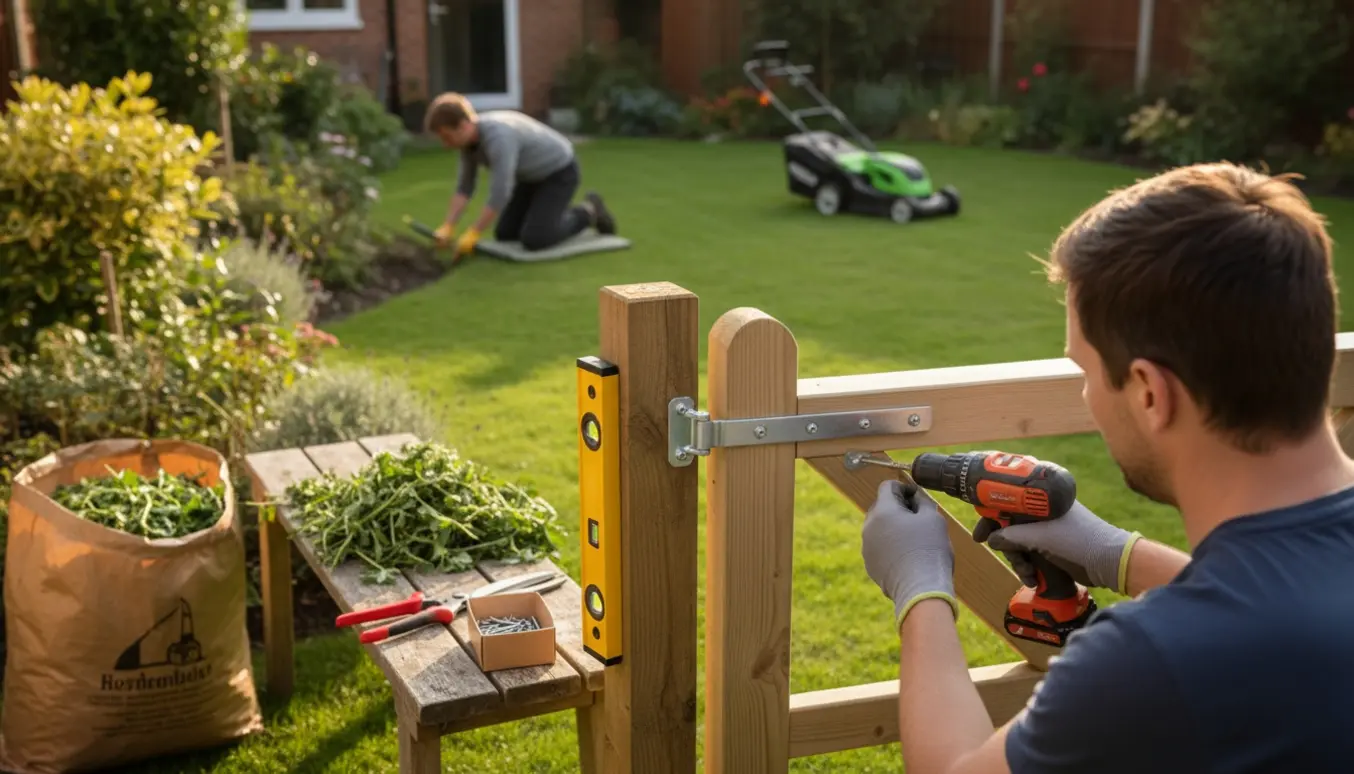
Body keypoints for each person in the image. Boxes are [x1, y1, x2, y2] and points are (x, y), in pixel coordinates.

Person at [860, 162, 1354, 773]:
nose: (1088, 396)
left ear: (1148, 392)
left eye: (1085, 371)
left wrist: (921, 589)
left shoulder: (1149, 663)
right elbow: (1283, 614)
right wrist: (1117, 555)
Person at [422, 92, 616, 258]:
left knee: (536, 238)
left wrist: (474, 232)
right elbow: (464, 188)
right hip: (529, 178)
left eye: (447, 137)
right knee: (505, 233)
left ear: (464, 125)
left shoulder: (498, 138)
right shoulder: (468, 145)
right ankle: (546, 217)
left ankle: (589, 211)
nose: (446, 145)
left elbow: (500, 193)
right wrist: (448, 226)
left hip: (559, 172)